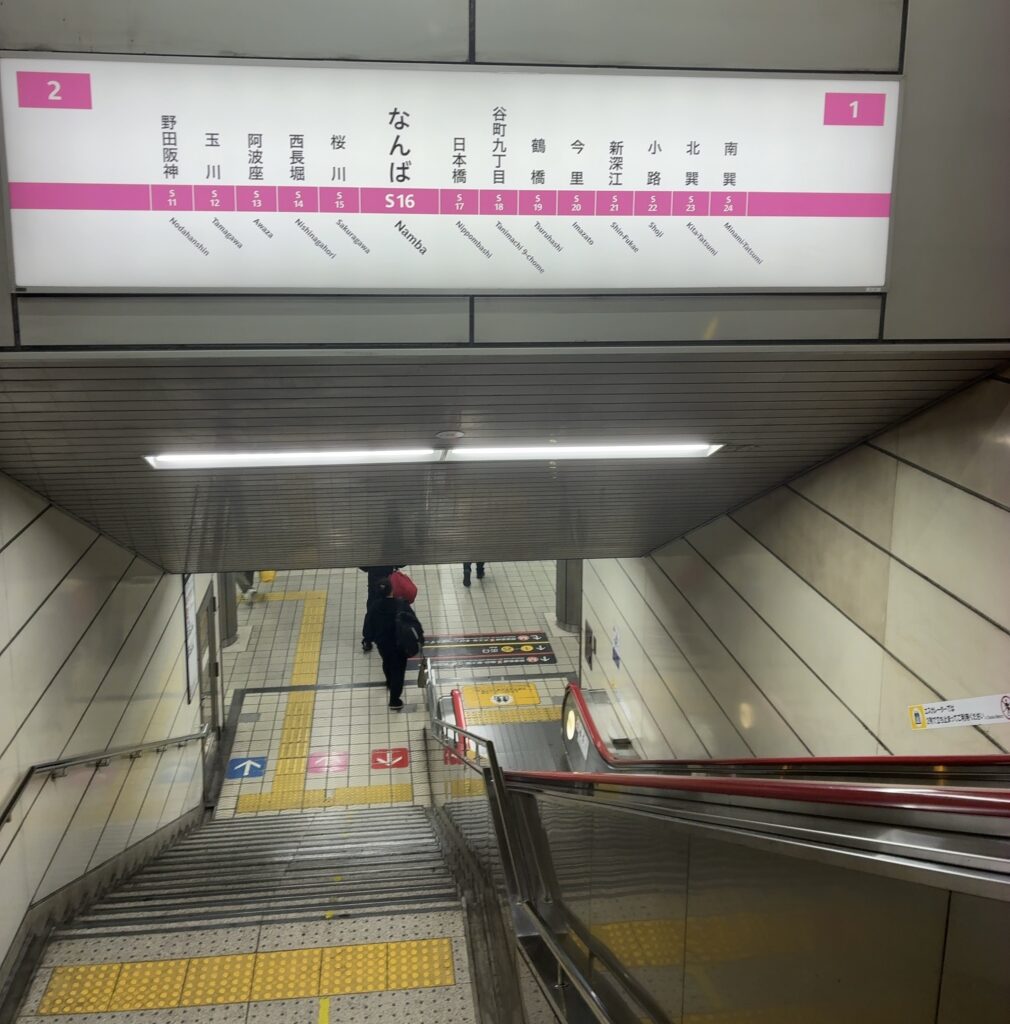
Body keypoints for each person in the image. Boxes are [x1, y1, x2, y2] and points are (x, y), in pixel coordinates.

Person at [362, 577, 424, 711]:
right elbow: (413, 622)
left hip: (383, 643)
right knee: (398, 671)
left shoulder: (374, 607)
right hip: (399, 643)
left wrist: (368, 639)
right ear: (391, 590)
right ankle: (394, 701)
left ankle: (389, 682)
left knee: (387, 662)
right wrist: (419, 638)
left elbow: (368, 625)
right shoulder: (401, 604)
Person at [358, 565, 402, 651]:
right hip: (390, 581)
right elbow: (401, 562)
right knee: (393, 611)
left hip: (374, 584)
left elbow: (363, 565)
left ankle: (367, 639)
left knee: (372, 612)